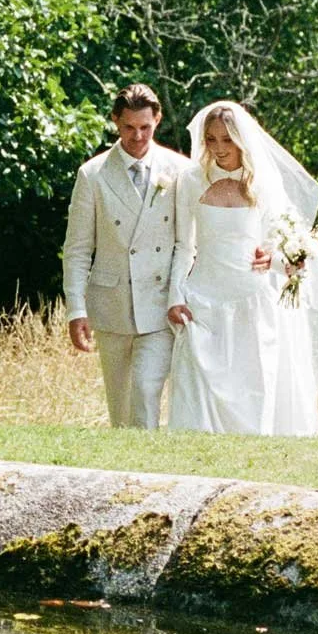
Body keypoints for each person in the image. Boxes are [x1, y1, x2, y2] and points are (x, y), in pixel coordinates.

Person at [162, 99, 318, 435]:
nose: (219, 149)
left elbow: (281, 248)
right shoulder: (191, 181)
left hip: (252, 298)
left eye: (227, 139)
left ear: (242, 140)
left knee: (255, 382)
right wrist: (175, 295)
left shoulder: (263, 184)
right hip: (203, 298)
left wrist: (278, 260)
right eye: (211, 140)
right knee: (198, 383)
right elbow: (184, 246)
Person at [62, 85, 201, 428]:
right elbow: (78, 249)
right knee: (120, 404)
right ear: (115, 122)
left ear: (157, 120)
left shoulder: (180, 169)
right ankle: (126, 472)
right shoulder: (93, 174)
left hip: (159, 303)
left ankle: (151, 465)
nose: (137, 136)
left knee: (145, 387)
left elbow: (187, 243)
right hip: (111, 303)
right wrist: (77, 309)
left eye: (145, 127)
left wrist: (177, 295)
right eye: (128, 128)